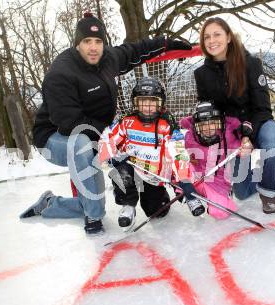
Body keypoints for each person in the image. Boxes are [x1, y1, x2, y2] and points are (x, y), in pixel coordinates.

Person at [19, 12, 192, 234]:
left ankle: (54, 204)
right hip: (55, 138)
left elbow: (137, 50)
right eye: (87, 42)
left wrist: (167, 44)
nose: (93, 47)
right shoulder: (61, 73)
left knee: (94, 187)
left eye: (98, 41)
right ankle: (93, 217)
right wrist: (115, 134)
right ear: (77, 44)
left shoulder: (107, 58)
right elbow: (70, 122)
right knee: (82, 145)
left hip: (92, 132)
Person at [194, 17, 275, 214]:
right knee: (242, 192)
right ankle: (261, 175)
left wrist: (248, 136)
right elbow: (210, 112)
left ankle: (269, 192)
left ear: (228, 37)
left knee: (272, 142)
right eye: (207, 36)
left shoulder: (251, 63)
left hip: (258, 121)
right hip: (231, 131)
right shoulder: (201, 74)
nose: (212, 40)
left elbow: (263, 107)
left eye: (217, 34)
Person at [98, 77, 205, 230]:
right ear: (135, 102)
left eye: (152, 102)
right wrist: (107, 156)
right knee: (121, 171)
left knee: (155, 212)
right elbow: (109, 137)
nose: (147, 107)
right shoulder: (127, 121)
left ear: (160, 103)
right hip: (132, 166)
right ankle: (128, 205)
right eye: (143, 101)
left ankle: (164, 198)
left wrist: (185, 180)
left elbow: (178, 152)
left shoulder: (167, 123)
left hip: (154, 173)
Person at [179, 101, 242, 219]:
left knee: (220, 213)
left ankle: (217, 197)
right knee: (180, 175)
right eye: (203, 124)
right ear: (196, 126)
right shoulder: (190, 137)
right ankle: (190, 195)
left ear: (218, 122)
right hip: (196, 178)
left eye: (212, 123)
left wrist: (245, 147)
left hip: (216, 182)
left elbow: (242, 149)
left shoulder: (227, 135)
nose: (207, 128)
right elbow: (185, 158)